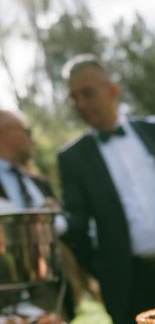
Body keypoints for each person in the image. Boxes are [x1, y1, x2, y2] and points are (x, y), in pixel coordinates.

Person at [56, 55, 155, 324]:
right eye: (73, 97)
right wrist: (102, 270)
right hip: (127, 285)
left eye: (87, 93)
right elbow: (76, 225)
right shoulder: (73, 158)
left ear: (113, 89)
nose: (80, 104)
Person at [0, 110, 65, 322]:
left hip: (55, 299)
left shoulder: (39, 183)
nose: (31, 138)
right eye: (26, 131)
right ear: (5, 133)